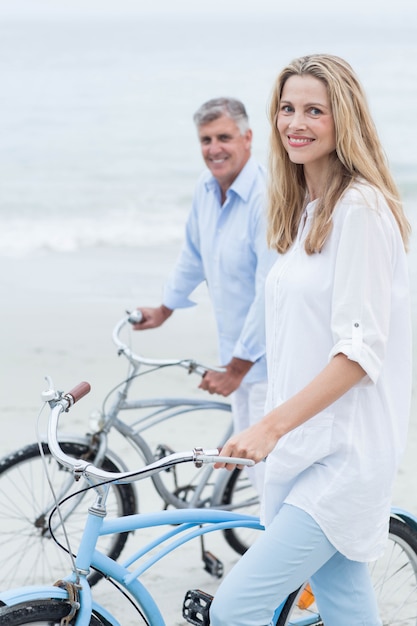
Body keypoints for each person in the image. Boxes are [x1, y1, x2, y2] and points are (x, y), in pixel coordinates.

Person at [209, 54, 412, 626]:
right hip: (305, 451)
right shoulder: (309, 213)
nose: (295, 122)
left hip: (344, 456)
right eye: (287, 107)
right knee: (347, 607)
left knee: (235, 609)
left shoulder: (363, 210)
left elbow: (359, 351)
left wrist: (268, 427)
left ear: (342, 120)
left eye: (314, 110)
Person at [133, 97, 277, 493]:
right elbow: (193, 256)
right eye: (206, 139)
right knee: (250, 466)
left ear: (248, 139)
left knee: (271, 473)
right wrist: (164, 310)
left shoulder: (267, 198)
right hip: (235, 353)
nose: (214, 149)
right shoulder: (206, 188)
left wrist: (235, 369)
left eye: (224, 137)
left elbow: (270, 291)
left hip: (271, 361)